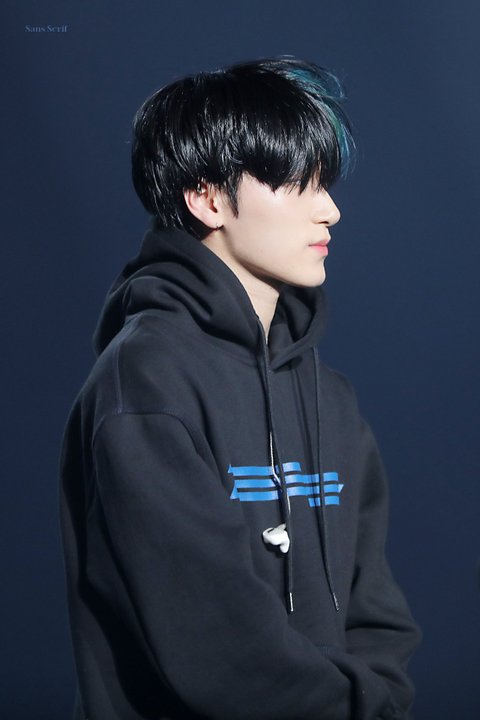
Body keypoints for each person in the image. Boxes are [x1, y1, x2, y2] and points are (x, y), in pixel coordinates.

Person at [59, 57, 421, 720]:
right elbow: (217, 650)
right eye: (297, 183)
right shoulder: (145, 382)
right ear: (207, 199)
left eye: (326, 183)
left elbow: (377, 618)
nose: (331, 210)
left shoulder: (330, 397)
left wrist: (376, 701)